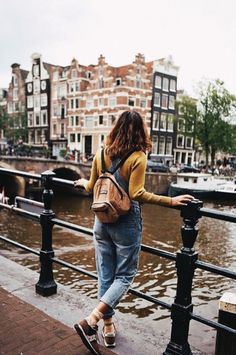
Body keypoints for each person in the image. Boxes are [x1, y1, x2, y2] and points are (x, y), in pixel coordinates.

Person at [73, 110, 193, 355]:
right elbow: (137, 193)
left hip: (101, 220)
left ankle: (107, 328)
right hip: (126, 222)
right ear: (141, 131)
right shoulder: (138, 156)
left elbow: (92, 186)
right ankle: (92, 321)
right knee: (125, 276)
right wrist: (170, 202)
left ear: (116, 128)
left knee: (106, 275)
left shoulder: (101, 153)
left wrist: (82, 183)